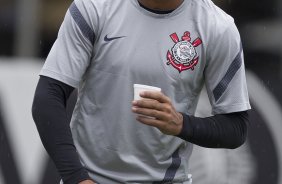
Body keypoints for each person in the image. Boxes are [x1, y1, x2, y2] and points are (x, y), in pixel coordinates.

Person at [32, 0, 251, 183]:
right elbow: (47, 99)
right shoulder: (94, 7)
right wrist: (77, 178)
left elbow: (236, 127)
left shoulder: (218, 27)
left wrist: (181, 124)